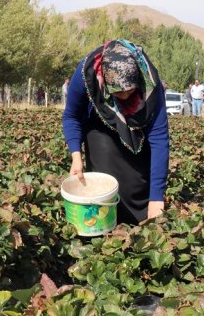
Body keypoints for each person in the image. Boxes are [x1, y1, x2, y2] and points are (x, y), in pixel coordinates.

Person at [62, 39, 169, 225]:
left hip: (138, 131)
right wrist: (76, 156)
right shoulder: (85, 75)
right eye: (119, 93)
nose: (126, 97)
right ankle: (104, 229)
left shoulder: (150, 83)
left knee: (137, 183)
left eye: (130, 92)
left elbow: (159, 138)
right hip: (100, 126)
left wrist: (156, 198)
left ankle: (139, 229)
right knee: (106, 179)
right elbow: (71, 116)